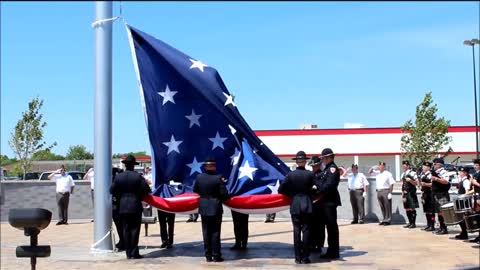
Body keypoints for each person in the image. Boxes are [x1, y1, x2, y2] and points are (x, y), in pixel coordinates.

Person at [110, 155, 151, 259]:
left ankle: (128, 253)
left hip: (122, 206)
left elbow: (112, 190)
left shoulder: (119, 177)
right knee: (135, 230)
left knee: (125, 229)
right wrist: (138, 194)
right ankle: (134, 252)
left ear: (125, 165)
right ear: (133, 165)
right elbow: (146, 190)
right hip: (135, 205)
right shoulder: (138, 176)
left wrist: (121, 196)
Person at [278, 150, 314, 264]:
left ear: (297, 162)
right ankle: (306, 256)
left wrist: (292, 194)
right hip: (307, 204)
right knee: (306, 231)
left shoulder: (290, 175)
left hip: (295, 204)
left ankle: (297, 257)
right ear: (305, 162)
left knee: (296, 231)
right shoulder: (310, 174)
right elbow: (318, 187)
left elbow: (281, 189)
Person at [193, 156, 229, 263]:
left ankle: (208, 256)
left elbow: (196, 190)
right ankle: (216, 255)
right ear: (214, 166)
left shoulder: (199, 177)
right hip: (215, 207)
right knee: (215, 232)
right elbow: (224, 194)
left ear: (205, 166)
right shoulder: (219, 177)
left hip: (203, 207)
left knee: (206, 232)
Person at [314, 148, 341, 260]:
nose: (323, 160)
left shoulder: (332, 169)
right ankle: (331, 250)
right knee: (328, 226)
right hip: (325, 202)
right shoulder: (327, 169)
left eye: (324, 158)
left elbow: (328, 186)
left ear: (329, 157)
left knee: (331, 227)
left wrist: (317, 189)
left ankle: (333, 252)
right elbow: (321, 181)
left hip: (329, 202)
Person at [369, 161, 395, 226]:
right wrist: (373, 167)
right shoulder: (377, 173)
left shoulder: (388, 174)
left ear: (384, 167)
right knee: (382, 206)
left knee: (387, 206)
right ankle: (384, 219)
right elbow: (369, 172)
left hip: (386, 191)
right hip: (379, 191)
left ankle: (388, 220)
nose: (380, 167)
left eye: (382, 166)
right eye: (379, 166)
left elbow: (391, 184)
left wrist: (390, 193)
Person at [308, 155, 324, 252]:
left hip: (320, 203)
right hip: (311, 203)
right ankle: (311, 243)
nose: (313, 167)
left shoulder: (322, 174)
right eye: (312, 166)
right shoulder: (310, 175)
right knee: (311, 225)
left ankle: (319, 245)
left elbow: (322, 188)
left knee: (320, 226)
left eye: (315, 165)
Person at [431, 157, 451, 235]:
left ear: (439, 165)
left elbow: (446, 181)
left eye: (435, 164)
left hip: (442, 194)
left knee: (443, 212)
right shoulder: (435, 172)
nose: (434, 165)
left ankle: (444, 228)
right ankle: (441, 228)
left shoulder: (444, 172)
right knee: (439, 212)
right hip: (436, 193)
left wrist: (436, 178)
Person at [400, 161, 419, 228]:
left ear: (408, 166)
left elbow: (416, 183)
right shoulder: (403, 174)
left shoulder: (413, 173)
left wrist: (410, 180)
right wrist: (402, 193)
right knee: (407, 208)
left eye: (405, 165)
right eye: (403, 165)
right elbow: (403, 184)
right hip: (405, 193)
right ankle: (410, 222)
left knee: (412, 208)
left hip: (411, 193)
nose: (403, 166)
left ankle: (413, 223)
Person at [454, 166, 471, 240]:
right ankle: (463, 232)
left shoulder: (466, 181)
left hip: (464, 202)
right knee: (460, 218)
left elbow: (467, 192)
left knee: (463, 218)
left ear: (465, 173)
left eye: (461, 172)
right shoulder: (462, 180)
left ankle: (464, 233)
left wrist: (462, 196)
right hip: (461, 201)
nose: (460, 173)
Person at [419, 162, 435, 231]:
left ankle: (432, 225)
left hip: (430, 194)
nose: (423, 167)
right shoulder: (422, 174)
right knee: (426, 210)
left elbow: (433, 184)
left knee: (431, 211)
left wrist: (425, 184)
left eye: (425, 166)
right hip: (425, 193)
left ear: (428, 167)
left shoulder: (431, 174)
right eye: (423, 166)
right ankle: (428, 225)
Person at [111, 167, 125, 251]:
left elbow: (112, 190)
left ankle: (123, 241)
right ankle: (123, 241)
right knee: (121, 225)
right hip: (120, 204)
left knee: (119, 224)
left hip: (117, 205)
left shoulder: (115, 180)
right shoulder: (119, 179)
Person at [469, 159, 480, 243]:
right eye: (474, 164)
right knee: (477, 216)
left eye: (476, 164)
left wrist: (475, 182)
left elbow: (477, 184)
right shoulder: (476, 174)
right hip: (476, 196)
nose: (475, 166)